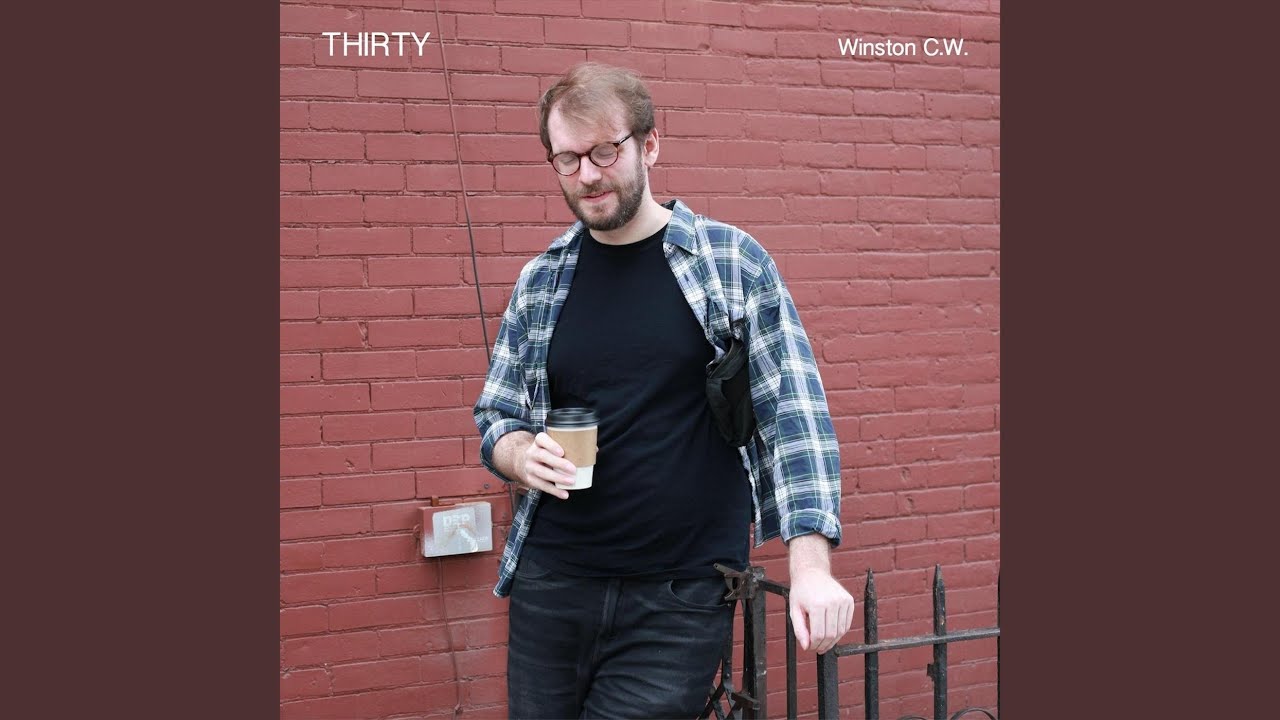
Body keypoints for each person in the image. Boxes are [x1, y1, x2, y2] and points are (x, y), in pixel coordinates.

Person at [473, 62, 854, 719]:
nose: (587, 175)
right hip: (552, 584)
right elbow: (497, 411)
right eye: (567, 159)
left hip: (678, 598)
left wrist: (812, 567)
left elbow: (794, 416)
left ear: (649, 145)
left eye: (604, 151)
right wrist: (517, 453)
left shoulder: (731, 263)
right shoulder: (542, 279)